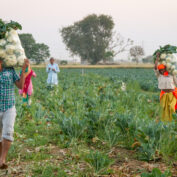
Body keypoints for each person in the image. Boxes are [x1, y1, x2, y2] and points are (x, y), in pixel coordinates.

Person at [0, 59, 29, 169]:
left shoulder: (10, 70)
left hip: (9, 107)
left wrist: (23, 70)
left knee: (8, 132)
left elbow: (20, 86)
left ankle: (2, 159)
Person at [154, 53, 177, 121]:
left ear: (165, 68)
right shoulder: (159, 75)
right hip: (164, 94)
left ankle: (173, 121)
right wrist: (157, 58)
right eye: (160, 70)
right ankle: (165, 122)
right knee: (163, 109)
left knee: (172, 108)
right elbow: (155, 68)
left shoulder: (171, 75)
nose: (161, 71)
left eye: (162, 69)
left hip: (172, 94)